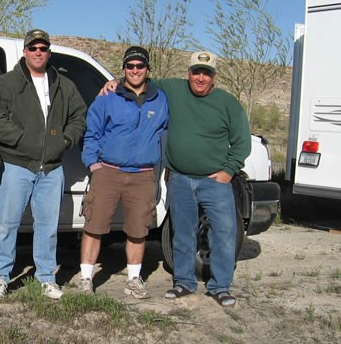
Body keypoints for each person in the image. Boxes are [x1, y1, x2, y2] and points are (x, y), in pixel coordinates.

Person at [101, 50, 250, 307]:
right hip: (180, 179)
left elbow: (242, 142)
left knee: (224, 233)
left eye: (206, 73)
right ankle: (184, 282)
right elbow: (138, 78)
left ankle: (220, 286)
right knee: (182, 233)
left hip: (215, 182)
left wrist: (229, 170)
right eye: (196, 72)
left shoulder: (228, 103)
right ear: (188, 73)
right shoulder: (173, 88)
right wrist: (115, 81)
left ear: (214, 76)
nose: (200, 78)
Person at [0, 29, 87, 300]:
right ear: (25, 51)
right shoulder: (7, 83)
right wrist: (23, 139)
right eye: (33, 48)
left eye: (43, 48)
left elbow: (79, 116)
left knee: (47, 226)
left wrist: (65, 140)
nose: (38, 52)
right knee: (7, 223)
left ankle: (45, 277)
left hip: (52, 168)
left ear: (49, 52)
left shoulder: (64, 85)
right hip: (18, 165)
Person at [79, 46, 169, 298]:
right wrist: (94, 165)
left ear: (147, 69)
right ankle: (86, 278)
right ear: (124, 69)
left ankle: (133, 279)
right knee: (94, 225)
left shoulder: (161, 99)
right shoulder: (107, 98)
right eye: (130, 66)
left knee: (138, 229)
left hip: (143, 174)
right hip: (108, 171)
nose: (135, 70)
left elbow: (168, 131)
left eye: (140, 66)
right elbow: (92, 134)